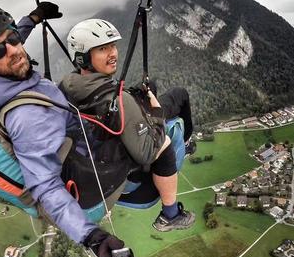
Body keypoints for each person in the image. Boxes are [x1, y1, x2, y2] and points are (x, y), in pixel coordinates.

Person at [0, 3, 135, 257]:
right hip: (91, 169)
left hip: (73, 133)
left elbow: (8, 42)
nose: (15, 50)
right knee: (148, 118)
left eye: (14, 38)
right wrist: (93, 239)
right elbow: (46, 187)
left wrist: (33, 19)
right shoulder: (29, 116)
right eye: (0, 50)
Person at [60, 18, 196, 231]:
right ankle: (170, 214)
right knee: (178, 102)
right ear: (84, 57)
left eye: (113, 46)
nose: (113, 53)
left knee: (151, 86)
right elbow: (147, 153)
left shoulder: (67, 85)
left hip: (101, 142)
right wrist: (156, 112)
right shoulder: (121, 100)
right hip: (124, 170)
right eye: (103, 49)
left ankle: (154, 107)